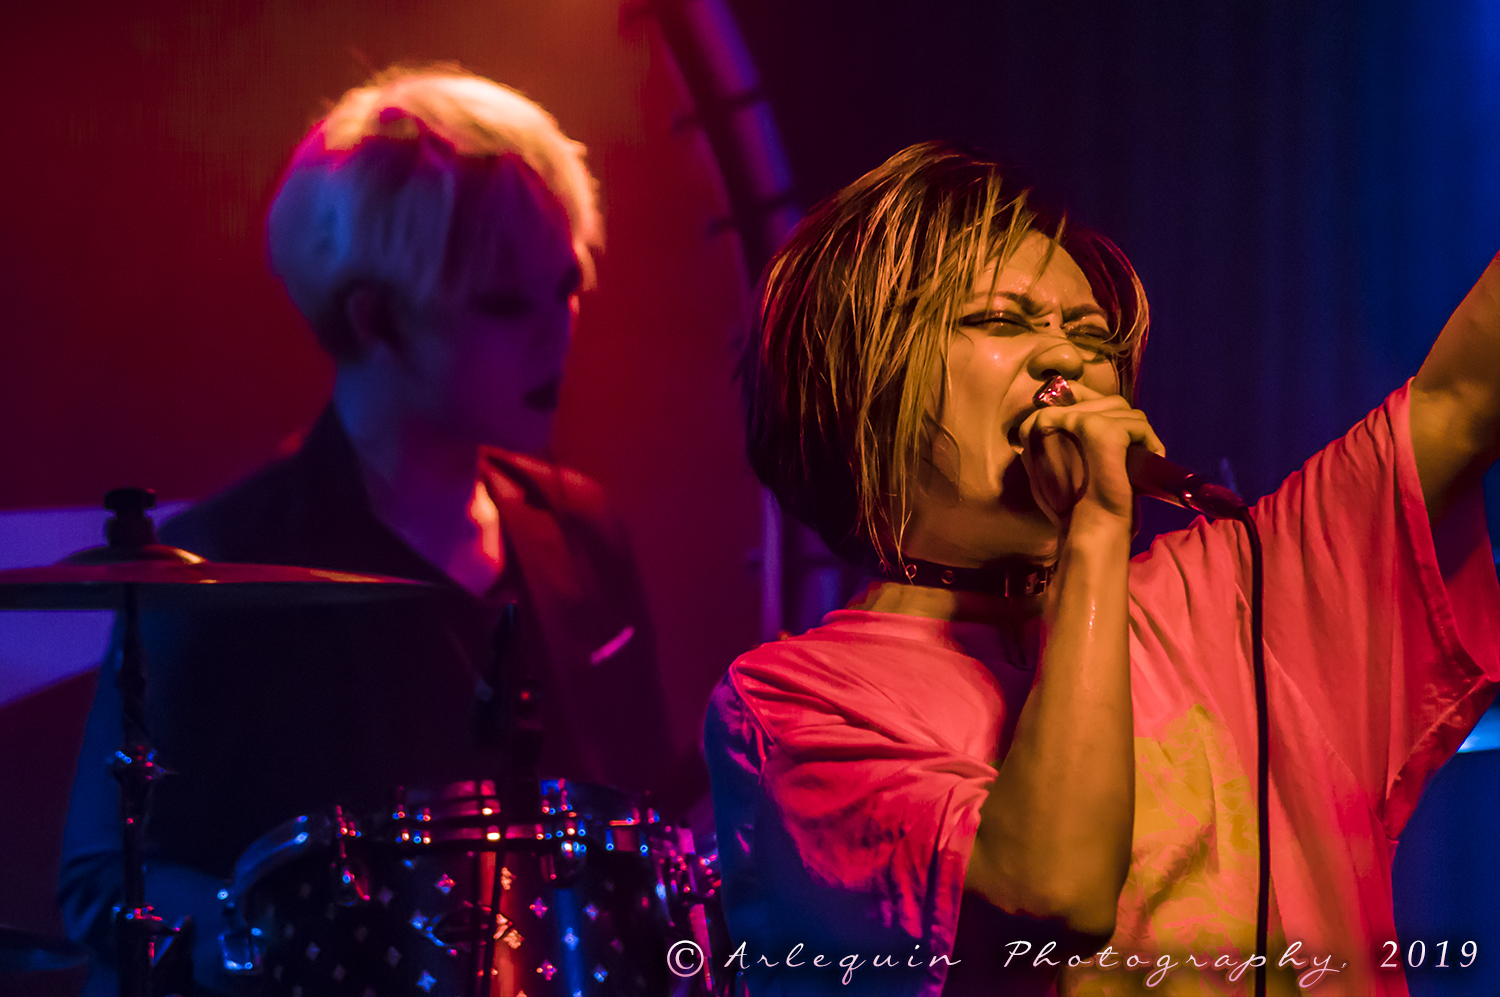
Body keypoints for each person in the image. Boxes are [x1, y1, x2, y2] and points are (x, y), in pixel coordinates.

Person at [704, 142, 1500, 995]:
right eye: (1002, 321)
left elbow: (1462, 400)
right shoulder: (794, 704)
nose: (1067, 359)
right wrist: (1094, 528)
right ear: (864, 379)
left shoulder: (1239, 587)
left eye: (1088, 334)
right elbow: (1047, 893)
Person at [59, 66, 682, 992]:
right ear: (374, 315)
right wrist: (283, 936)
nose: (559, 328)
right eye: (506, 301)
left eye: (568, 286)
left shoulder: (583, 527)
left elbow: (649, 814)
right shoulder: (218, 571)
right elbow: (106, 878)